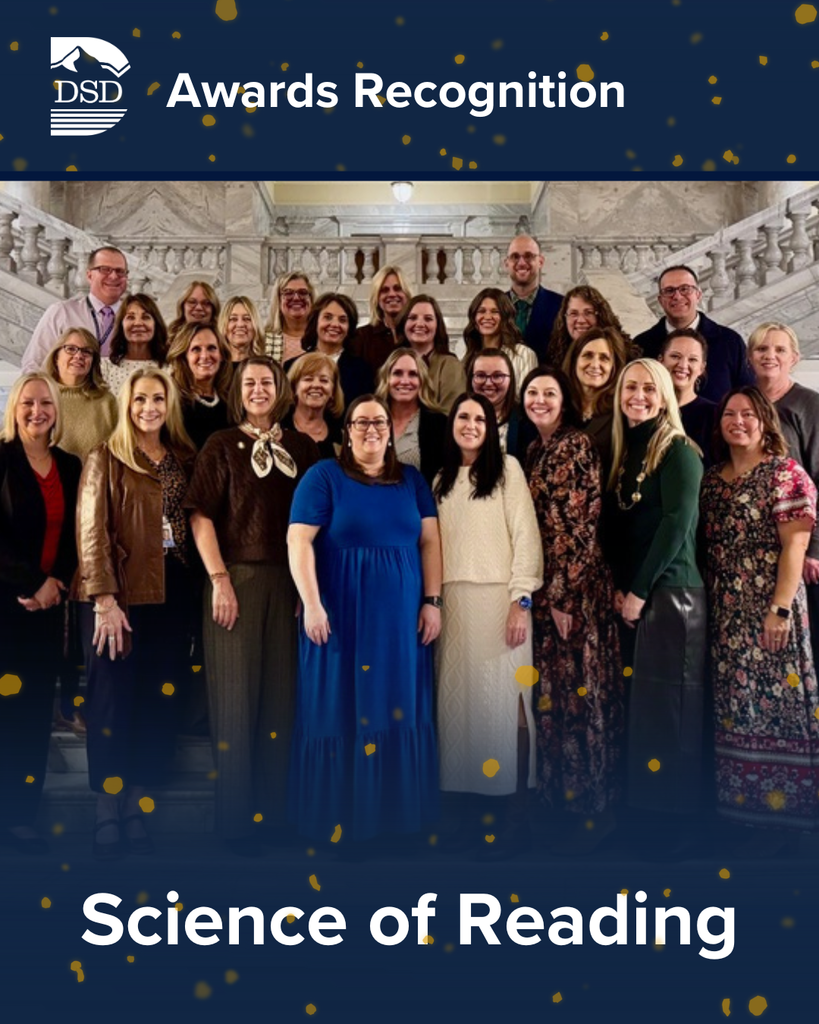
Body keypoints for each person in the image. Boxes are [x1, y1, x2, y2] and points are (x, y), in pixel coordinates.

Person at [287, 395, 442, 851]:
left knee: (396, 707)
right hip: (339, 618)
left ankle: (396, 823)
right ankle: (341, 825)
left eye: (379, 422)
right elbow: (298, 543)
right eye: (361, 422)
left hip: (399, 625)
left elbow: (430, 543)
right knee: (338, 708)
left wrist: (432, 601)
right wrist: (312, 604)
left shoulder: (412, 480)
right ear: (347, 431)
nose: (371, 429)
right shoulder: (323, 477)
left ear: (390, 432)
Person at [185, 357, 319, 855]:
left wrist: (310, 591)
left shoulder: (303, 448)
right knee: (235, 702)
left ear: (280, 389)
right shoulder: (220, 444)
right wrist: (219, 579)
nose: (259, 389)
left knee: (281, 702)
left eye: (266, 381)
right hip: (235, 580)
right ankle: (236, 824)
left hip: (289, 584)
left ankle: (275, 816)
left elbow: (317, 523)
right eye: (250, 383)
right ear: (238, 392)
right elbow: (200, 518)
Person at [76, 368, 196, 859]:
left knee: (156, 699)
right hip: (120, 598)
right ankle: (107, 805)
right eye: (141, 399)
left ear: (170, 405)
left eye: (158, 399)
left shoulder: (183, 457)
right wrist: (104, 599)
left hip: (173, 594)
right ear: (127, 405)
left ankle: (134, 804)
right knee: (112, 701)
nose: (150, 408)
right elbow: (91, 532)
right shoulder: (106, 456)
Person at [700, 387, 819, 853]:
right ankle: (741, 814)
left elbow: (795, 545)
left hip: (772, 610)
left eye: (748, 414)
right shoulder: (713, 479)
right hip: (726, 615)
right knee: (737, 709)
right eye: (730, 414)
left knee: (779, 710)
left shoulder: (785, 473)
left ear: (765, 421)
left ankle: (787, 820)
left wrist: (779, 609)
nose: (738, 421)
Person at [434, 393, 542, 859]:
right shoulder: (439, 479)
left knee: (507, 707)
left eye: (480, 418)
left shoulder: (508, 470)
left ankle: (515, 812)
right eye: (463, 416)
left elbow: (526, 536)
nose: (471, 424)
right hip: (454, 605)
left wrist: (521, 601)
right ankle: (466, 811)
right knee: (459, 712)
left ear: (490, 426)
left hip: (501, 601)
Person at [606, 358, 706, 857]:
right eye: (630, 387)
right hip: (639, 596)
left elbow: (675, 525)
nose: (638, 396)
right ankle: (644, 819)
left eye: (649, 387)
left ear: (665, 394)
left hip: (672, 597)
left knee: (671, 717)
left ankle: (675, 828)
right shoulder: (627, 451)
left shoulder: (680, 451)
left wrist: (639, 591)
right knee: (644, 716)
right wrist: (623, 587)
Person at [521, 366, 623, 851]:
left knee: (583, 696)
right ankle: (557, 800)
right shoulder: (533, 449)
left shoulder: (575, 445)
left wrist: (564, 596)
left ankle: (591, 809)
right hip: (546, 591)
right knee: (553, 699)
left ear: (564, 401)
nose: (539, 400)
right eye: (532, 392)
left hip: (576, 592)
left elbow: (582, 524)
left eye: (549, 393)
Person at [0, 374, 81, 854]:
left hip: (48, 607)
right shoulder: (1, 459)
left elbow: (77, 533)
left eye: (45, 402)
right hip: (6, 604)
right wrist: (31, 583)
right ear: (14, 409)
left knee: (32, 714)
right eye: (28, 403)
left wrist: (56, 584)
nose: (37, 411)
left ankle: (20, 815)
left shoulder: (69, 465)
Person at [746, 322, 819, 669]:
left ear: (794, 357)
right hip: (753, 546)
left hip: (799, 544)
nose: (769, 356)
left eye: (779, 350)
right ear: (750, 357)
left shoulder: (809, 404)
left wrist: (815, 548)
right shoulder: (742, 401)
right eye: (762, 349)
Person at [633, 265, 754, 403]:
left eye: (685, 289)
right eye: (669, 291)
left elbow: (747, 397)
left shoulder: (730, 342)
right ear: (660, 300)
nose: (677, 296)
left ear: (698, 294)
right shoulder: (641, 345)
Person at [21, 246, 129, 371]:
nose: (114, 276)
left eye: (120, 271)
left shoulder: (137, 319)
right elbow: (33, 364)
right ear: (89, 275)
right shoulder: (62, 313)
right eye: (105, 269)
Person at [43, 327, 118, 461]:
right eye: (71, 349)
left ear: (93, 362)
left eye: (86, 351)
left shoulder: (107, 402)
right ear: (56, 357)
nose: (78, 356)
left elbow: (121, 451)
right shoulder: (38, 397)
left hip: (95, 474)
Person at [375, 348, 447, 486]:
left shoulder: (439, 424)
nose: (405, 381)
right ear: (386, 379)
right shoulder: (371, 419)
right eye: (397, 373)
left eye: (413, 374)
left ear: (422, 381)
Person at [564, 326, 630, 473]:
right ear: (574, 360)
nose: (595, 365)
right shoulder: (558, 406)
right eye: (588, 355)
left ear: (614, 366)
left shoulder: (622, 412)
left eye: (604, 358)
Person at [289, 292, 373, 406]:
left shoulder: (362, 371)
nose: (334, 324)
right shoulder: (291, 366)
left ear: (349, 327)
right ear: (315, 321)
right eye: (328, 317)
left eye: (342, 320)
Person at [166, 321, 232, 450]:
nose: (205, 356)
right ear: (184, 356)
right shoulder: (171, 401)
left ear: (221, 355)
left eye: (211, 348)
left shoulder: (230, 401)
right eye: (196, 349)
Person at [396, 294, 465, 413]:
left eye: (428, 319)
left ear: (437, 326)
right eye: (412, 318)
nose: (419, 324)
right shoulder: (392, 363)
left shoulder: (450, 365)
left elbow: (451, 414)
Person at [462, 287, 537, 393]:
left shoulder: (524, 354)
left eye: (495, 311)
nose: (487, 317)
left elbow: (527, 397)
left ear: (505, 317)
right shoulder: (467, 356)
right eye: (482, 311)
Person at [658, 328, 716, 461]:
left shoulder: (715, 415)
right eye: (675, 356)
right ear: (661, 360)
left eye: (692, 359)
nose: (683, 365)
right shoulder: (646, 410)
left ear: (702, 368)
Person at [465, 349, 533, 461]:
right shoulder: (458, 418)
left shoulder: (526, 422)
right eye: (480, 375)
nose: (488, 383)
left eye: (497, 376)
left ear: (510, 379)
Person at [504, 234, 563, 362]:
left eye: (528, 256)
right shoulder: (494, 306)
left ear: (540, 262)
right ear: (506, 263)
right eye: (515, 257)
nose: (521, 263)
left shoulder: (561, 305)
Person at [547, 284, 631, 371]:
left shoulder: (624, 357)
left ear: (601, 316)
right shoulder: (555, 356)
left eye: (588, 313)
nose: (581, 320)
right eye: (573, 313)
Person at [101, 293, 168, 397]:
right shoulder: (105, 367)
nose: (138, 323)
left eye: (145, 317)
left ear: (156, 324)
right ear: (121, 325)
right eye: (131, 317)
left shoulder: (169, 368)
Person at [349, 264, 411, 373]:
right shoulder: (361, 337)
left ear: (407, 294)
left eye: (398, 288)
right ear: (377, 298)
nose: (392, 294)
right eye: (384, 290)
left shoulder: (416, 334)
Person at [284, 352, 345, 459]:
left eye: (324, 380)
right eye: (308, 379)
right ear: (294, 387)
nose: (316, 385)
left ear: (333, 391)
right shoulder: (277, 429)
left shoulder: (341, 437)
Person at [264, 271, 315, 365]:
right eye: (288, 293)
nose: (296, 298)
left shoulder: (322, 338)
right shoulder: (263, 341)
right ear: (278, 300)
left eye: (303, 292)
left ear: (311, 299)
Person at [166, 280, 221, 347]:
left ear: (214, 308)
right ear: (182, 307)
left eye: (206, 303)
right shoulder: (166, 341)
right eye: (192, 302)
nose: (199, 308)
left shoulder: (223, 340)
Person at [218, 295, 266, 365]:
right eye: (233, 319)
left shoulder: (265, 367)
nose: (240, 324)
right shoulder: (215, 367)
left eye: (247, 319)